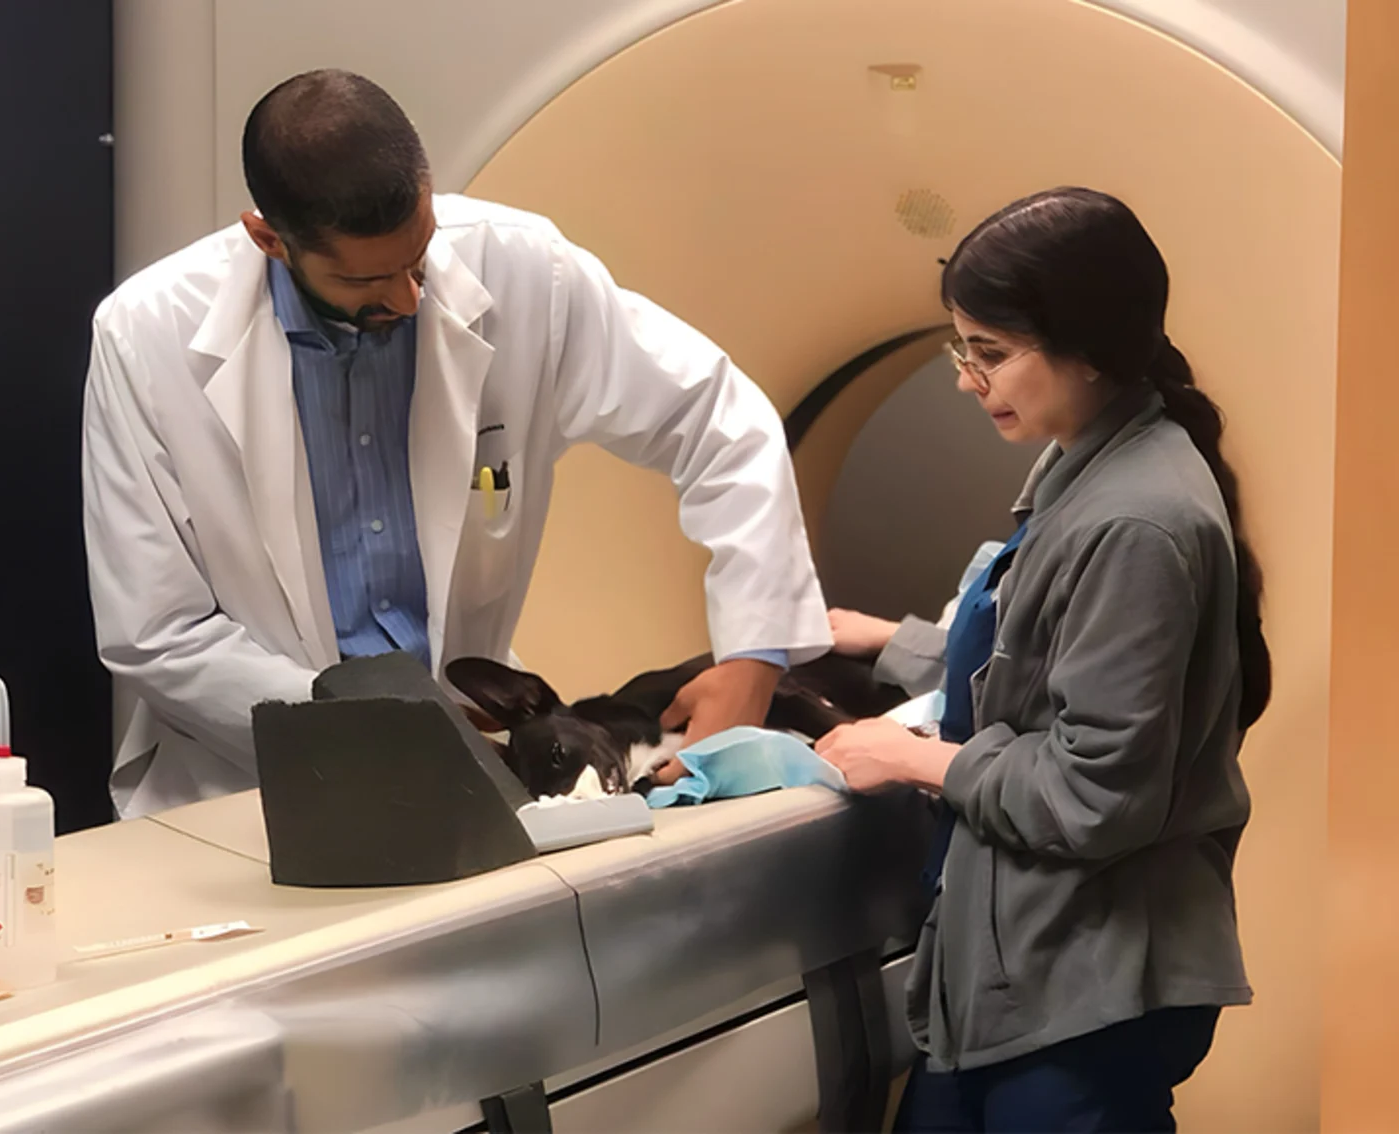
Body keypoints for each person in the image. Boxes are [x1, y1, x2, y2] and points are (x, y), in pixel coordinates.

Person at [80, 69, 830, 818]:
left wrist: (753, 654)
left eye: (420, 257)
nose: (411, 298)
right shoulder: (146, 339)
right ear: (270, 239)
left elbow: (718, 418)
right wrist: (374, 738)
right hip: (248, 779)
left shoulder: (524, 268)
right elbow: (157, 634)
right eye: (368, 281)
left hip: (481, 771)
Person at [815, 187, 1269, 1132]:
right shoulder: (1090, 467)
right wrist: (880, 638)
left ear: (1090, 343)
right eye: (960, 348)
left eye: (988, 353)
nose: (965, 378)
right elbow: (1041, 668)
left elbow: (1094, 788)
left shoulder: (1139, 516)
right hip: (1017, 969)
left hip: (1086, 985)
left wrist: (908, 758)